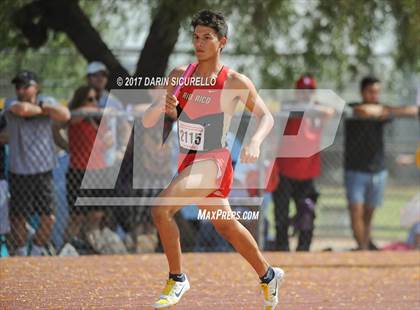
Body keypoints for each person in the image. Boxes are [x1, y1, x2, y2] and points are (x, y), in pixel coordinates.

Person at [142, 10, 284, 309]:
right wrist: (161, 106)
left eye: (207, 37)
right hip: (189, 160)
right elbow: (151, 119)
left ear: (222, 42)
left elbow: (265, 117)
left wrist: (255, 142)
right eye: (196, 37)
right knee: (227, 226)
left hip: (214, 162)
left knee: (161, 209)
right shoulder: (180, 75)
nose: (200, 42)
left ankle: (177, 278)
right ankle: (268, 274)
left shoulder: (234, 81)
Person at [344, 76, 418, 250]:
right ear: (362, 92)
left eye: (377, 92)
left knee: (369, 213)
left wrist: (387, 110)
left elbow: (410, 111)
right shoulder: (353, 107)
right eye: (371, 91)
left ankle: (365, 244)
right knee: (356, 211)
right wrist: (384, 110)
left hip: (377, 170)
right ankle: (362, 248)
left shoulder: (384, 111)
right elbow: (364, 111)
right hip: (355, 169)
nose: (375, 95)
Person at [4, 70, 70, 256]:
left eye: (26, 86)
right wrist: (46, 111)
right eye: (18, 86)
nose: (21, 90)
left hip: (44, 170)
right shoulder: (11, 102)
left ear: (36, 87)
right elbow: (22, 110)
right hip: (19, 170)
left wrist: (42, 106)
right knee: (18, 216)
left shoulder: (46, 99)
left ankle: (38, 252)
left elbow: (65, 114)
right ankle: (22, 251)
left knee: (48, 217)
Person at [270, 74, 334, 251]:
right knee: (281, 213)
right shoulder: (288, 107)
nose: (305, 94)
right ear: (296, 92)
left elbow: (330, 112)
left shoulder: (317, 110)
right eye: (302, 90)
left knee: (307, 211)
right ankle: (282, 247)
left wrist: (311, 108)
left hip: (307, 172)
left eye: (309, 91)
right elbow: (277, 112)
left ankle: (304, 248)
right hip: (284, 170)